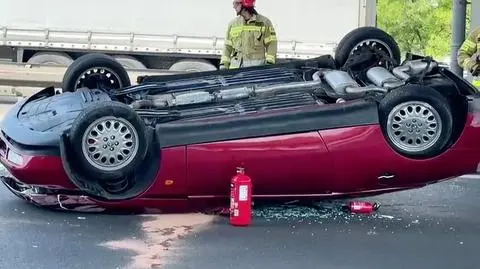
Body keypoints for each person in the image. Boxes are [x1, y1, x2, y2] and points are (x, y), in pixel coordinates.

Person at [219, 0, 278, 69]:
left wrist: (269, 63)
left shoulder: (264, 22)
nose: (233, 7)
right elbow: (227, 46)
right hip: (236, 72)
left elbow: (271, 43)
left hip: (255, 72)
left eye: (236, 3)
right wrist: (224, 64)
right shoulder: (233, 24)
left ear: (245, 5)